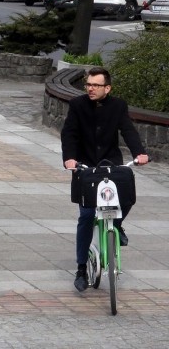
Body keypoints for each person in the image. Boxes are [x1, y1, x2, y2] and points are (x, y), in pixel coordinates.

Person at [60, 67, 149, 292]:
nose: (90, 88)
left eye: (95, 85)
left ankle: (117, 226)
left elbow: (128, 130)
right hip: (85, 167)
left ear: (107, 88)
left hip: (111, 165)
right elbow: (69, 133)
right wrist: (70, 158)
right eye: (88, 84)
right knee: (87, 215)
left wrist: (139, 152)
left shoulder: (118, 106)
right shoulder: (77, 105)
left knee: (126, 196)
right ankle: (81, 268)